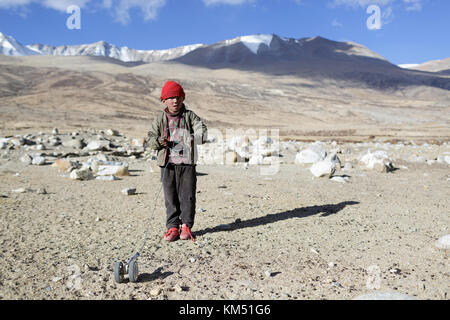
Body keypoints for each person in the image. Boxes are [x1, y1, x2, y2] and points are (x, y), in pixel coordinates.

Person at [146, 80, 207, 242]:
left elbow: (202, 131)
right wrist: (159, 141)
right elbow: (150, 138)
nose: (175, 101)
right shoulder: (159, 118)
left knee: (187, 196)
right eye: (171, 97)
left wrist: (194, 137)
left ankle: (186, 225)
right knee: (170, 196)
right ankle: (172, 227)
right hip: (167, 164)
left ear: (183, 99)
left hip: (187, 164)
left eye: (178, 97)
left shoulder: (190, 116)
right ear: (164, 100)